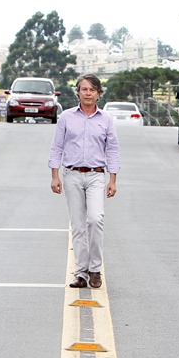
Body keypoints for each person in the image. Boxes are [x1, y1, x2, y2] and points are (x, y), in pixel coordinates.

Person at [48, 74, 120, 289]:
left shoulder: (106, 119)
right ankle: (81, 273)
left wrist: (113, 179)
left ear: (98, 94)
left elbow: (113, 150)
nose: (88, 93)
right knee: (78, 226)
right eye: (84, 89)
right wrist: (55, 175)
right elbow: (57, 147)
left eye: (92, 90)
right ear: (78, 92)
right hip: (72, 175)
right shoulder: (67, 118)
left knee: (95, 219)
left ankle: (95, 269)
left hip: (97, 175)